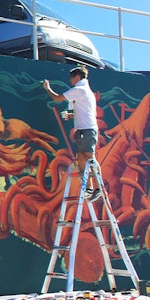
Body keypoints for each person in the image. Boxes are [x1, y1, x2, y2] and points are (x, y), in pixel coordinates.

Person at [42, 66, 101, 202]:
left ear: (77, 77)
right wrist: (69, 115)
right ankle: (88, 188)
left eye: (72, 78)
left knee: (89, 158)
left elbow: (57, 98)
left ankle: (98, 187)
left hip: (87, 129)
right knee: (81, 158)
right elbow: (74, 111)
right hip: (82, 129)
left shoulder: (80, 90)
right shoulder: (82, 92)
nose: (70, 82)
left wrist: (47, 88)